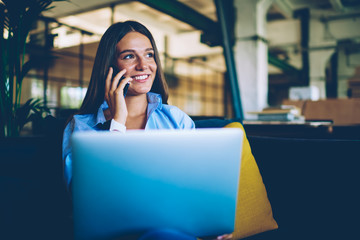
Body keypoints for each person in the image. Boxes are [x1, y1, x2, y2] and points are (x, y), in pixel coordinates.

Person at [62, 20, 231, 240]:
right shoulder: (82, 127)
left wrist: (210, 220)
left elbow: (195, 189)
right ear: (109, 66)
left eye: (149, 55)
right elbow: (84, 200)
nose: (144, 65)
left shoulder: (176, 120)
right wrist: (118, 123)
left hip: (172, 230)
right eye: (129, 56)